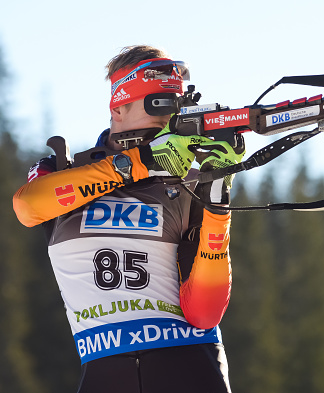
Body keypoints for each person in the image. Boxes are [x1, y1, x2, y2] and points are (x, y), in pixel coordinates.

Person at [12, 45, 245, 393]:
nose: (168, 122)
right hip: (103, 370)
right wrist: (140, 162)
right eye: (157, 107)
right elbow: (28, 207)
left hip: (189, 363)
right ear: (119, 108)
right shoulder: (64, 172)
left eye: (175, 108)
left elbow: (205, 312)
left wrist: (217, 198)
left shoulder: (188, 182)